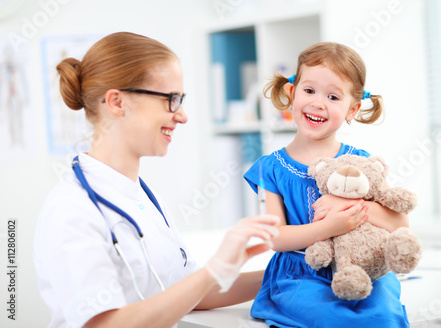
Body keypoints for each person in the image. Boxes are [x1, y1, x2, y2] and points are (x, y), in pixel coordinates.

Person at [33, 32, 280, 328]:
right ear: (117, 102)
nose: (183, 116)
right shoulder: (72, 211)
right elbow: (102, 324)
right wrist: (214, 269)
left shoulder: (144, 198)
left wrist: (286, 274)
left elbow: (192, 290)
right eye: (171, 100)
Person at [243, 42, 410, 328]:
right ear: (292, 94)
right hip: (300, 274)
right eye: (309, 91)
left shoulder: (362, 162)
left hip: (363, 270)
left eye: (333, 96)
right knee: (328, 318)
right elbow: (276, 238)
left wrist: (347, 206)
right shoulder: (270, 168)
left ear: (352, 110)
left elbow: (400, 224)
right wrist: (329, 228)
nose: (318, 103)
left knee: (383, 317)